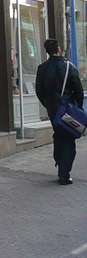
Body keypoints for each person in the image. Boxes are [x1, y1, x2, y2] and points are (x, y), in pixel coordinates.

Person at [35, 38, 84, 185]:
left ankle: (59, 164)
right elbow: (79, 91)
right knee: (68, 138)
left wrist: (49, 105)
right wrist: (77, 108)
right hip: (67, 110)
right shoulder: (69, 67)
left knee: (58, 134)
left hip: (53, 110)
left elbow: (39, 91)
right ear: (58, 49)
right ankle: (64, 173)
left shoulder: (42, 68)